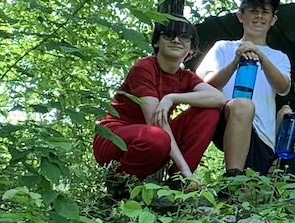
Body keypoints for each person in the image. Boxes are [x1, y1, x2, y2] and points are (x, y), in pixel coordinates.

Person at [92, 20, 229, 189]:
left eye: (184, 37)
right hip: (113, 138)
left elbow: (218, 98)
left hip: (152, 140)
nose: (176, 40)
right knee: (157, 137)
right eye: (169, 35)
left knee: (209, 113)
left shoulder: (185, 77)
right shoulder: (145, 67)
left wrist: (173, 98)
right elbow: (155, 121)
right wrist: (187, 171)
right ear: (157, 42)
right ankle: (118, 186)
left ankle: (178, 182)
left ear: (192, 48)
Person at [196, 0, 293, 175]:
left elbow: (283, 87)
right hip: (226, 120)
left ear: (273, 20)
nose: (259, 16)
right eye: (253, 11)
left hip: (262, 131)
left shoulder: (279, 57)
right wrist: (235, 62)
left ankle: (235, 184)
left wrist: (260, 56)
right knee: (243, 104)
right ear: (241, 16)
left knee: (251, 188)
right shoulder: (223, 47)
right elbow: (206, 84)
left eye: (265, 12)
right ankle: (232, 175)